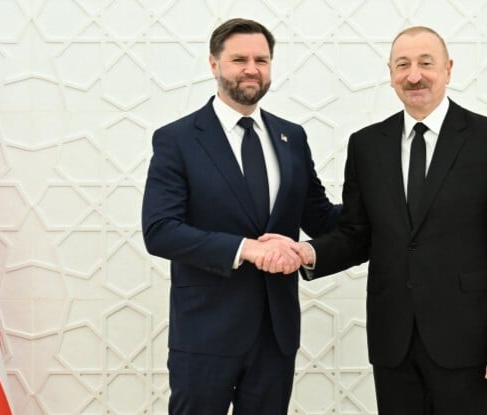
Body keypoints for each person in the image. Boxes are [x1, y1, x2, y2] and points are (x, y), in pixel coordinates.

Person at [262, 26, 487, 414]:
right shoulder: (366, 144)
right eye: (403, 65)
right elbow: (357, 235)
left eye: (426, 63)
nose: (414, 76)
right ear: (391, 73)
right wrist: (305, 253)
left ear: (448, 69)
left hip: (471, 341)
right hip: (393, 341)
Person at [141, 18, 340, 415]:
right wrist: (246, 249)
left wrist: (384, 202)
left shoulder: (292, 137)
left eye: (261, 60)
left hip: (275, 334)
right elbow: (160, 230)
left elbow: (319, 217)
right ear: (213, 63)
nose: (252, 69)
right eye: (239, 60)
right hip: (205, 334)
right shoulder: (177, 139)